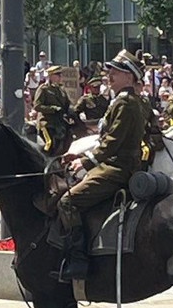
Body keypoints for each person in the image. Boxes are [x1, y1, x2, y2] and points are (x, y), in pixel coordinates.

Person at [56, 50, 149, 282]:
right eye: (110, 71)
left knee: (67, 202)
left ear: (130, 77)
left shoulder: (126, 103)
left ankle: (78, 260)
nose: (109, 75)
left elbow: (112, 141)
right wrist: (78, 154)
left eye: (116, 71)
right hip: (115, 163)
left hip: (117, 168)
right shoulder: (122, 101)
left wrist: (86, 161)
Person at [33, 66, 73, 153]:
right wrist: (53, 109)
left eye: (60, 74)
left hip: (59, 121)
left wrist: (70, 111)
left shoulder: (61, 89)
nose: (60, 77)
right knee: (49, 143)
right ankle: (44, 161)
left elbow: (67, 103)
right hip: (47, 123)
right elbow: (37, 106)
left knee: (67, 141)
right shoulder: (44, 89)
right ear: (50, 76)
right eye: (57, 74)